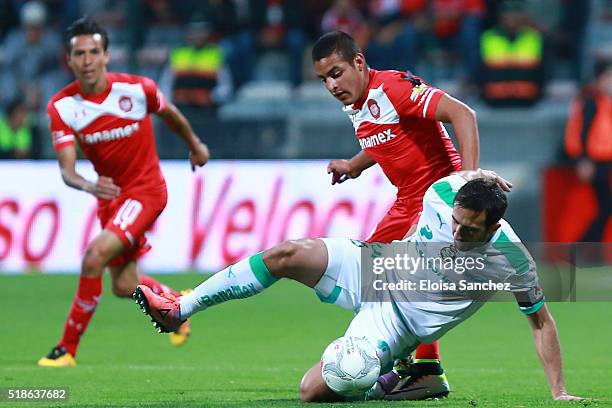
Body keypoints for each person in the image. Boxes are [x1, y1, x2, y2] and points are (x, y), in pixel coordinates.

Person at [133, 169, 584, 402]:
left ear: (494, 228)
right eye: (457, 223)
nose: (458, 232)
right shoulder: (444, 195)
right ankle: (179, 309)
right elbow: (465, 177)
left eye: (471, 231)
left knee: (313, 390)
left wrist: (558, 391)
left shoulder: (511, 261)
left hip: (395, 322)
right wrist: (482, 175)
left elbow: (540, 323)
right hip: (375, 268)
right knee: (286, 253)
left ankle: (396, 379)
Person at [312, 30, 482, 398]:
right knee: (371, 280)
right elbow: (386, 135)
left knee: (377, 279)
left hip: (435, 197)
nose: (330, 84)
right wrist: (354, 165)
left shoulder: (394, 88)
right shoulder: (360, 103)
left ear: (359, 62)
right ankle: (421, 368)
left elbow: (462, 114)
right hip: (408, 200)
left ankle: (417, 368)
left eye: (336, 73)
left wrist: (467, 183)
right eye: (323, 78)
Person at [38, 17, 210, 367]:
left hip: (146, 191)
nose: (87, 60)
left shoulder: (137, 90)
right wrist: (88, 184)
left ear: (106, 56)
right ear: (68, 60)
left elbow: (171, 114)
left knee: (93, 257)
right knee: (123, 285)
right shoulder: (62, 107)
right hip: (111, 199)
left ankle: (66, 349)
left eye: (94, 52)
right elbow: (68, 170)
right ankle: (176, 302)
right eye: (79, 54)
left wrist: (195, 145)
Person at [564, 58, 612, 243]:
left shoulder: (604, 102)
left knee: (605, 208)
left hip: (604, 161)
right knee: (605, 207)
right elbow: (582, 132)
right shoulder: (591, 102)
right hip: (596, 161)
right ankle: (585, 246)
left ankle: (589, 248)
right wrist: (584, 160)